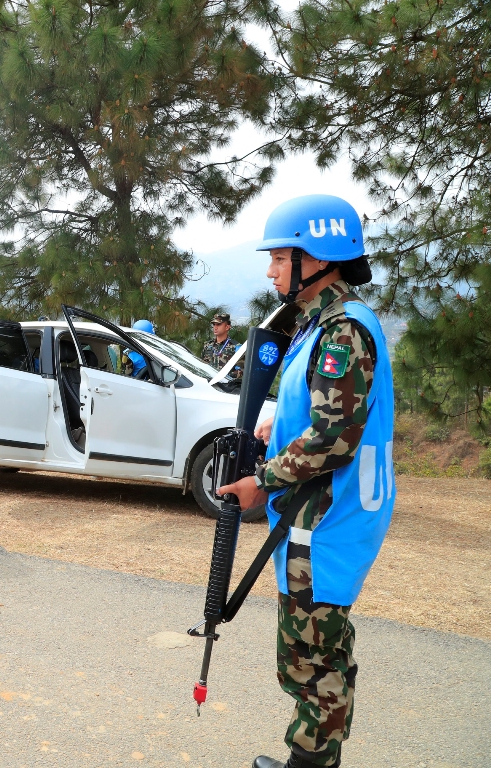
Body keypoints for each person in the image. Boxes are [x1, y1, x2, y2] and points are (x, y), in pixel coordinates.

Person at [216, 195, 395, 768]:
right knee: (322, 653)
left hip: (326, 519)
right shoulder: (322, 323)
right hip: (319, 514)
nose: (270, 270)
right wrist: (278, 420)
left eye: (279, 258)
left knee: (309, 659)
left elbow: (332, 440)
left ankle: (309, 762)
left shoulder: (344, 332)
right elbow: (319, 416)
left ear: (317, 258)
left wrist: (261, 482)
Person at [202, 312, 243, 379]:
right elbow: (202, 364)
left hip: (225, 385)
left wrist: (226, 377)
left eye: (218, 324)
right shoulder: (208, 345)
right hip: (207, 383)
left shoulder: (236, 347)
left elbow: (241, 370)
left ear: (227, 327)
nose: (215, 327)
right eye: (214, 325)